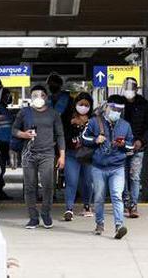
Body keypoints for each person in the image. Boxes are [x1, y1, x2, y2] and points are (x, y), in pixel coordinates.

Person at [12, 85, 65, 229]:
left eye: (41, 95)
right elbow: (14, 130)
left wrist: (62, 156)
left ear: (46, 98)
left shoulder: (53, 114)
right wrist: (24, 134)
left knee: (48, 185)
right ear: (30, 97)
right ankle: (33, 218)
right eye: (34, 95)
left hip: (47, 153)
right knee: (30, 186)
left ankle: (46, 214)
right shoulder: (24, 112)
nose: (38, 98)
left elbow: (60, 134)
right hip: (28, 153)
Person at [82, 95, 133, 239]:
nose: (116, 112)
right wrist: (95, 139)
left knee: (117, 196)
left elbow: (131, 145)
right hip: (98, 167)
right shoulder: (93, 122)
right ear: (107, 107)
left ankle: (119, 226)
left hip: (117, 167)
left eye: (120, 110)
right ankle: (99, 223)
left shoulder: (125, 125)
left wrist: (123, 144)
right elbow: (83, 138)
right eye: (114, 108)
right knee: (98, 197)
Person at [121, 77, 148, 218]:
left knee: (134, 177)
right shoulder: (119, 102)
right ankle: (125, 203)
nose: (129, 90)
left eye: (132, 88)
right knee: (122, 177)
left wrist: (141, 141)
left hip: (138, 148)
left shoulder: (143, 104)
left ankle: (133, 205)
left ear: (136, 89)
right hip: (121, 147)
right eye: (127, 87)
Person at [62, 92, 94, 221]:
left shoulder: (94, 120)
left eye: (86, 105)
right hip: (72, 154)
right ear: (75, 105)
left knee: (87, 181)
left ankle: (87, 205)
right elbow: (61, 135)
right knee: (72, 181)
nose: (83, 107)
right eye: (81, 104)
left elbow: (97, 136)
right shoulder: (67, 118)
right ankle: (69, 208)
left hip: (88, 155)